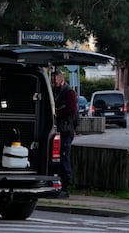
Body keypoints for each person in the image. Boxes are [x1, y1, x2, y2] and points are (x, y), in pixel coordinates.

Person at [51, 70, 78, 198]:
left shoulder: (69, 92)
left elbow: (72, 110)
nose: (53, 83)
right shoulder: (56, 90)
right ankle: (59, 185)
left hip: (66, 129)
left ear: (61, 79)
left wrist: (58, 113)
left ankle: (65, 187)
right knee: (59, 158)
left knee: (64, 157)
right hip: (60, 128)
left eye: (55, 80)